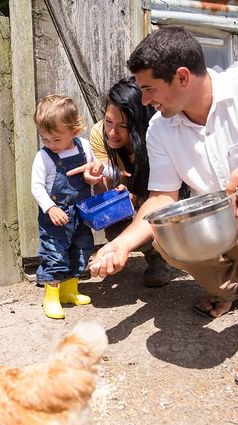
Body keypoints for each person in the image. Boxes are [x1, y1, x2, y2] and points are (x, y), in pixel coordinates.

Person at [87, 27, 238, 389]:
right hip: (221, 229)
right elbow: (161, 198)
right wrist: (121, 245)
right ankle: (230, 289)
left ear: (182, 77)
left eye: (149, 89)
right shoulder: (161, 129)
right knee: (163, 229)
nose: (144, 101)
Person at [89, 77, 173, 287]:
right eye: (109, 122)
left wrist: (138, 195)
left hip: (159, 195)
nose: (112, 132)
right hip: (126, 194)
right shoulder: (99, 135)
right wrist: (99, 182)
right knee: (113, 224)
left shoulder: (157, 137)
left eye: (123, 126)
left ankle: (160, 254)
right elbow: (106, 186)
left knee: (160, 221)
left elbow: (165, 192)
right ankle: (150, 249)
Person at [31, 94, 104, 320]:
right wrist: (50, 208)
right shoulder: (43, 157)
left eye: (56, 139)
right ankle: (51, 297)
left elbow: (90, 173)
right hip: (56, 215)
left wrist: (92, 176)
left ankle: (70, 290)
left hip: (80, 212)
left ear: (73, 132)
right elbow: (37, 187)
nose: (50, 144)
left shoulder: (83, 147)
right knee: (55, 253)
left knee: (81, 249)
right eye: (45, 139)